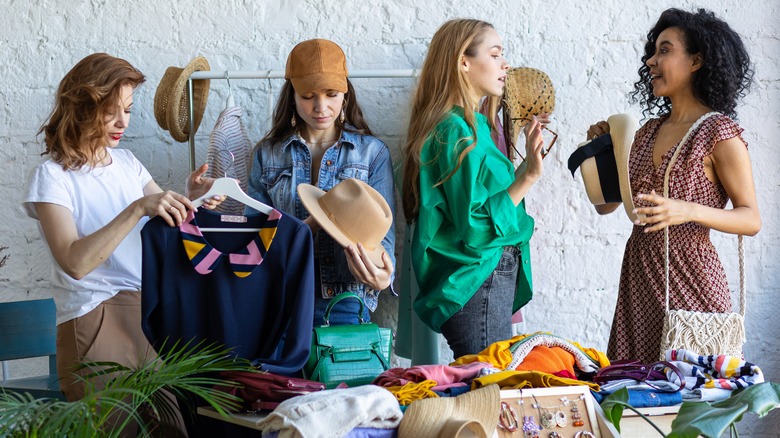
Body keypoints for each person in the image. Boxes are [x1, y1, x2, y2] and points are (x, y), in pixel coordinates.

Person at [22, 53, 221, 405]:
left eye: (127, 109)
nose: (121, 121)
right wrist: (136, 208)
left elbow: (170, 224)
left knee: (172, 425)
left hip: (146, 313)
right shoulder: (51, 177)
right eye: (110, 110)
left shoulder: (128, 164)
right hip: (93, 316)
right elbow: (75, 262)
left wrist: (192, 197)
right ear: (83, 106)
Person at [587, 8, 761, 362]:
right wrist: (603, 154)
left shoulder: (718, 133)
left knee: (695, 400)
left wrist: (687, 210)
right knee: (637, 391)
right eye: (653, 51)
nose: (651, 60)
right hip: (639, 275)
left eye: (664, 50)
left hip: (692, 279)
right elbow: (607, 205)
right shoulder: (647, 131)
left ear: (696, 60)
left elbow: (751, 219)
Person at [401, 18, 548, 359]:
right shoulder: (455, 131)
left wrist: (528, 164)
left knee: (488, 388)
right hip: (476, 277)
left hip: (485, 277)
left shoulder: (475, 124)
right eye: (495, 54)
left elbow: (487, 205)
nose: (505, 64)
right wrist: (528, 177)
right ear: (463, 62)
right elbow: (475, 224)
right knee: (489, 391)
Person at [246, 39, 396, 325]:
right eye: (308, 95)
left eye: (331, 93)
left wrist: (382, 277)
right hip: (280, 301)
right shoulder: (267, 155)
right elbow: (255, 242)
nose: (320, 106)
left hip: (346, 304)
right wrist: (313, 224)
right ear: (291, 95)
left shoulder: (372, 153)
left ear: (346, 94)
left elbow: (383, 242)